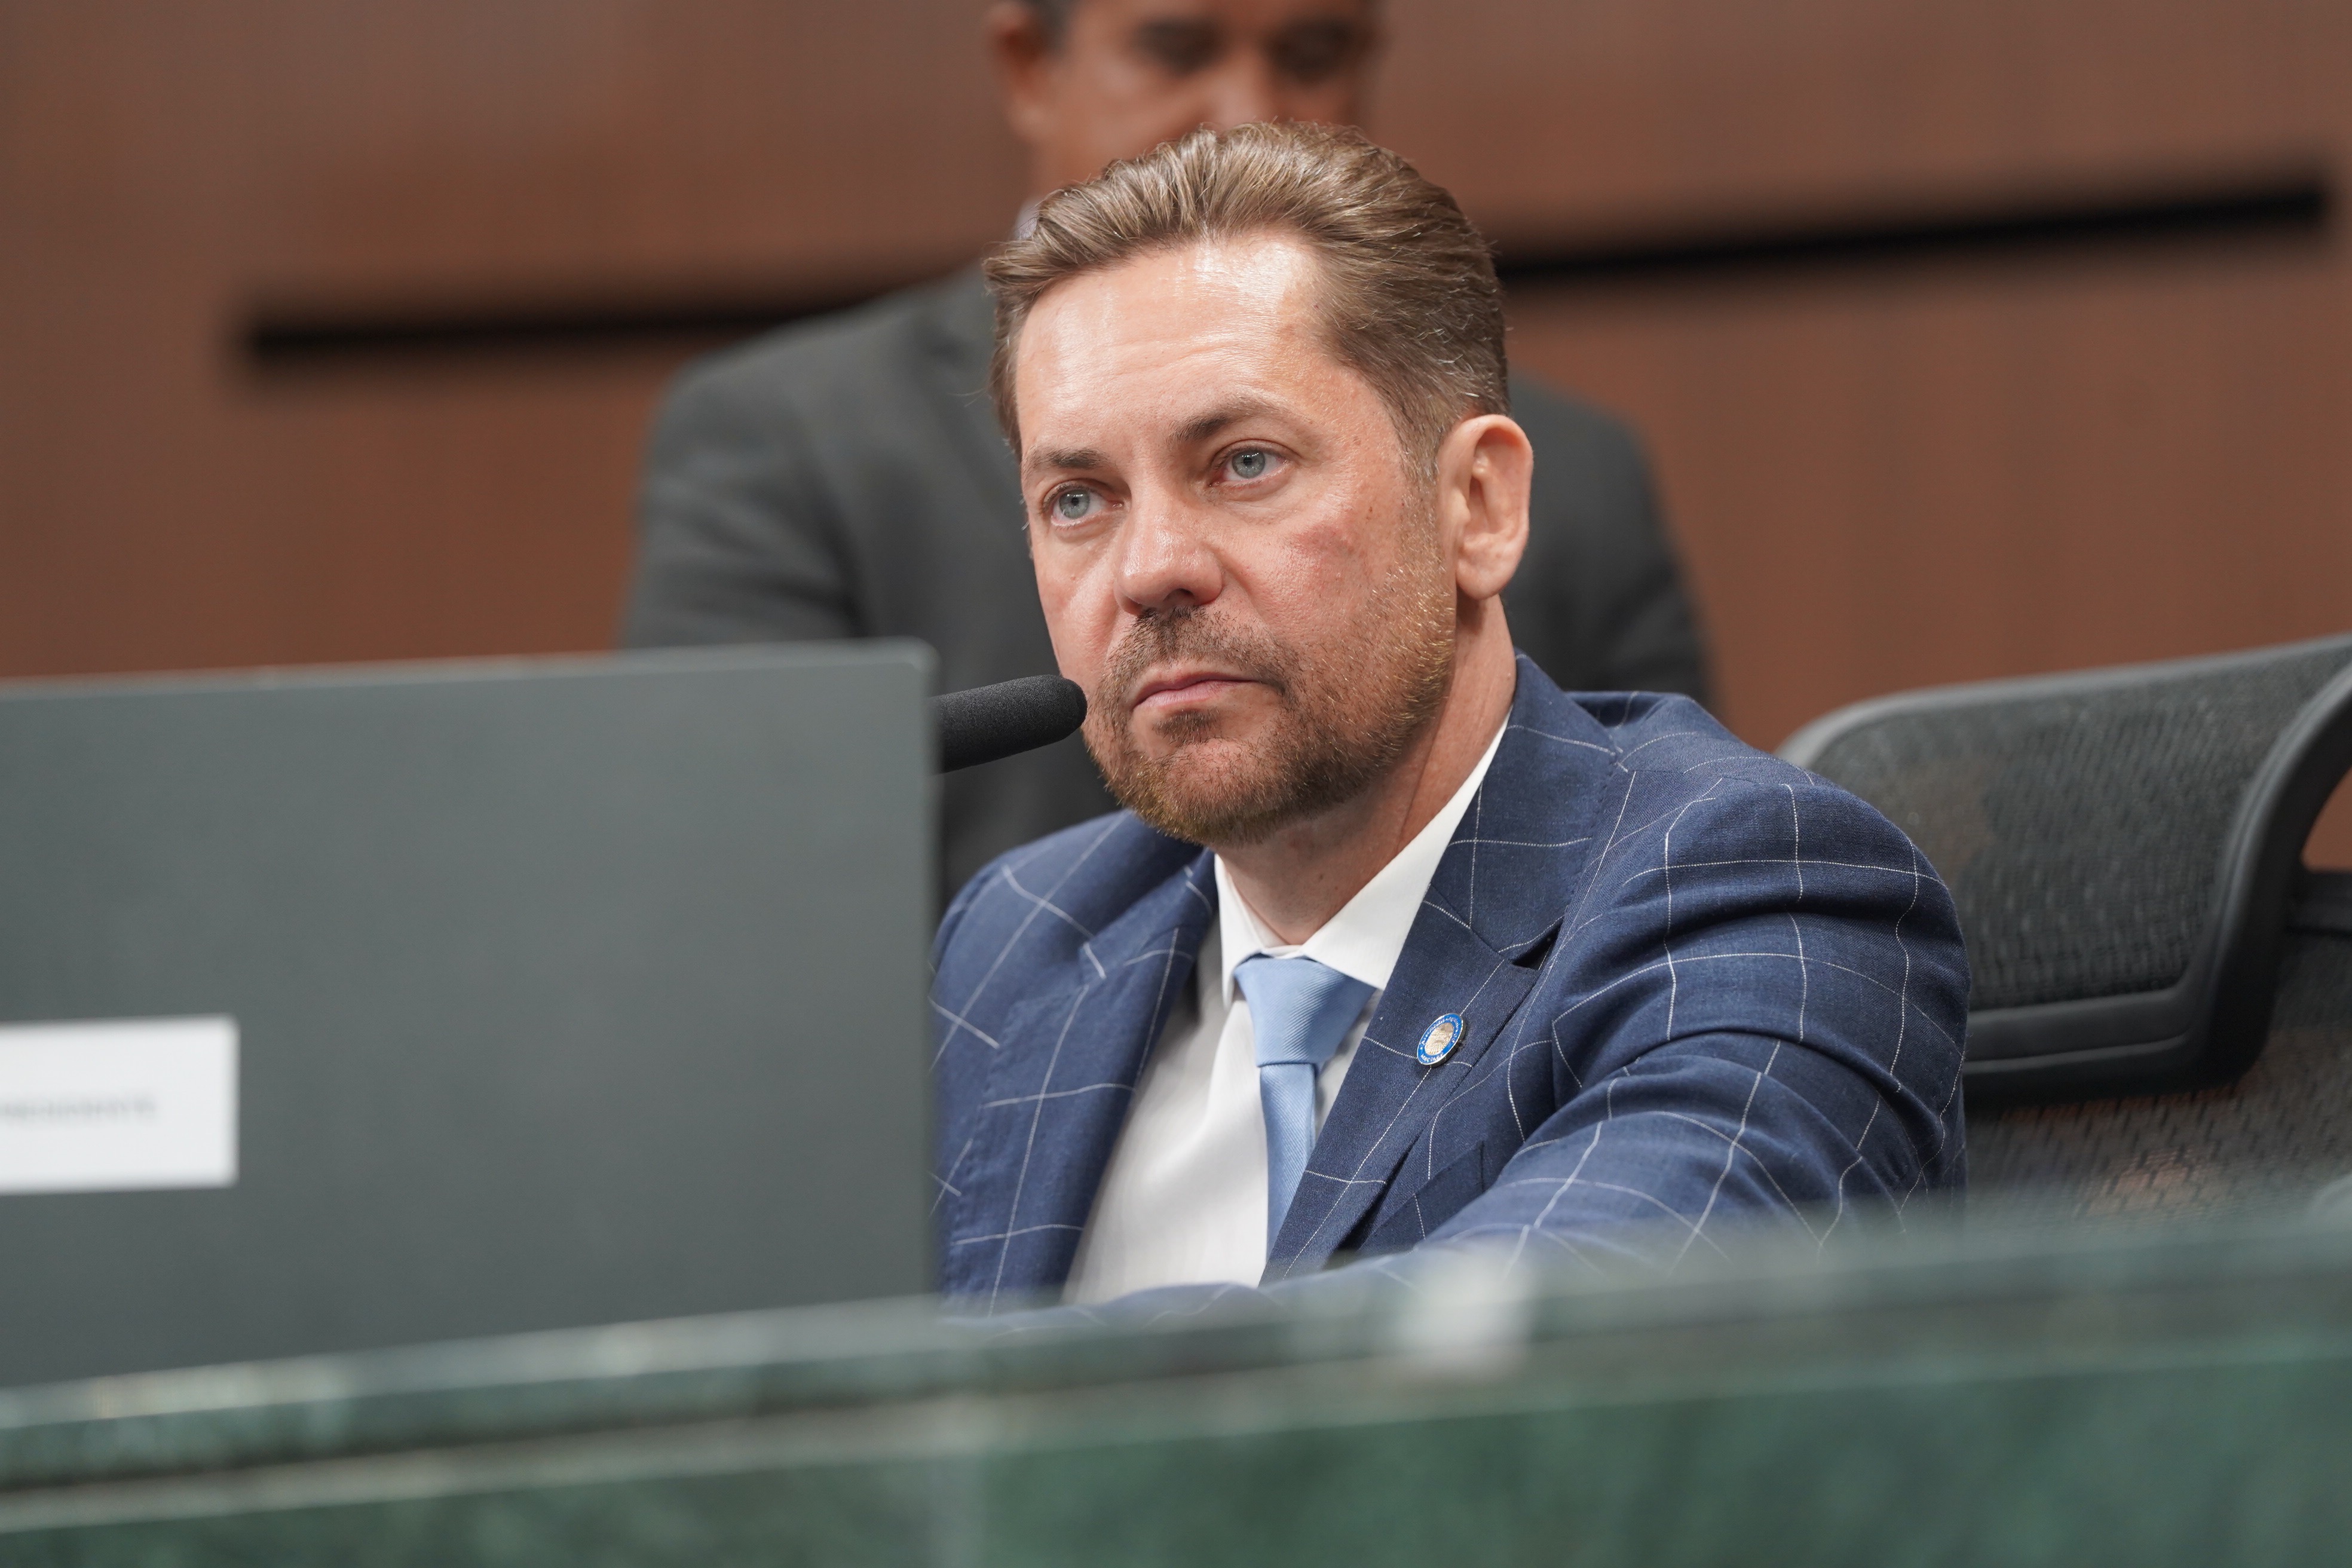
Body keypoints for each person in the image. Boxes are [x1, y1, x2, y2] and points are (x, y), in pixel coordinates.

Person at [929, 123, 1965, 1312]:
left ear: (1478, 505)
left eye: (1245, 463)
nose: (1151, 568)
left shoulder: (1760, 898)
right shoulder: (1019, 942)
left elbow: (1509, 1371)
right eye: (1078, 499)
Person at [621, 0, 1710, 899]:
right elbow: (727, 882)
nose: (1247, 107)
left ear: (1482, 497)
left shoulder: (1580, 471)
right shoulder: (791, 436)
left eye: (1312, 54)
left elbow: (1656, 856)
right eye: (1176, 50)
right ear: (1030, 66)